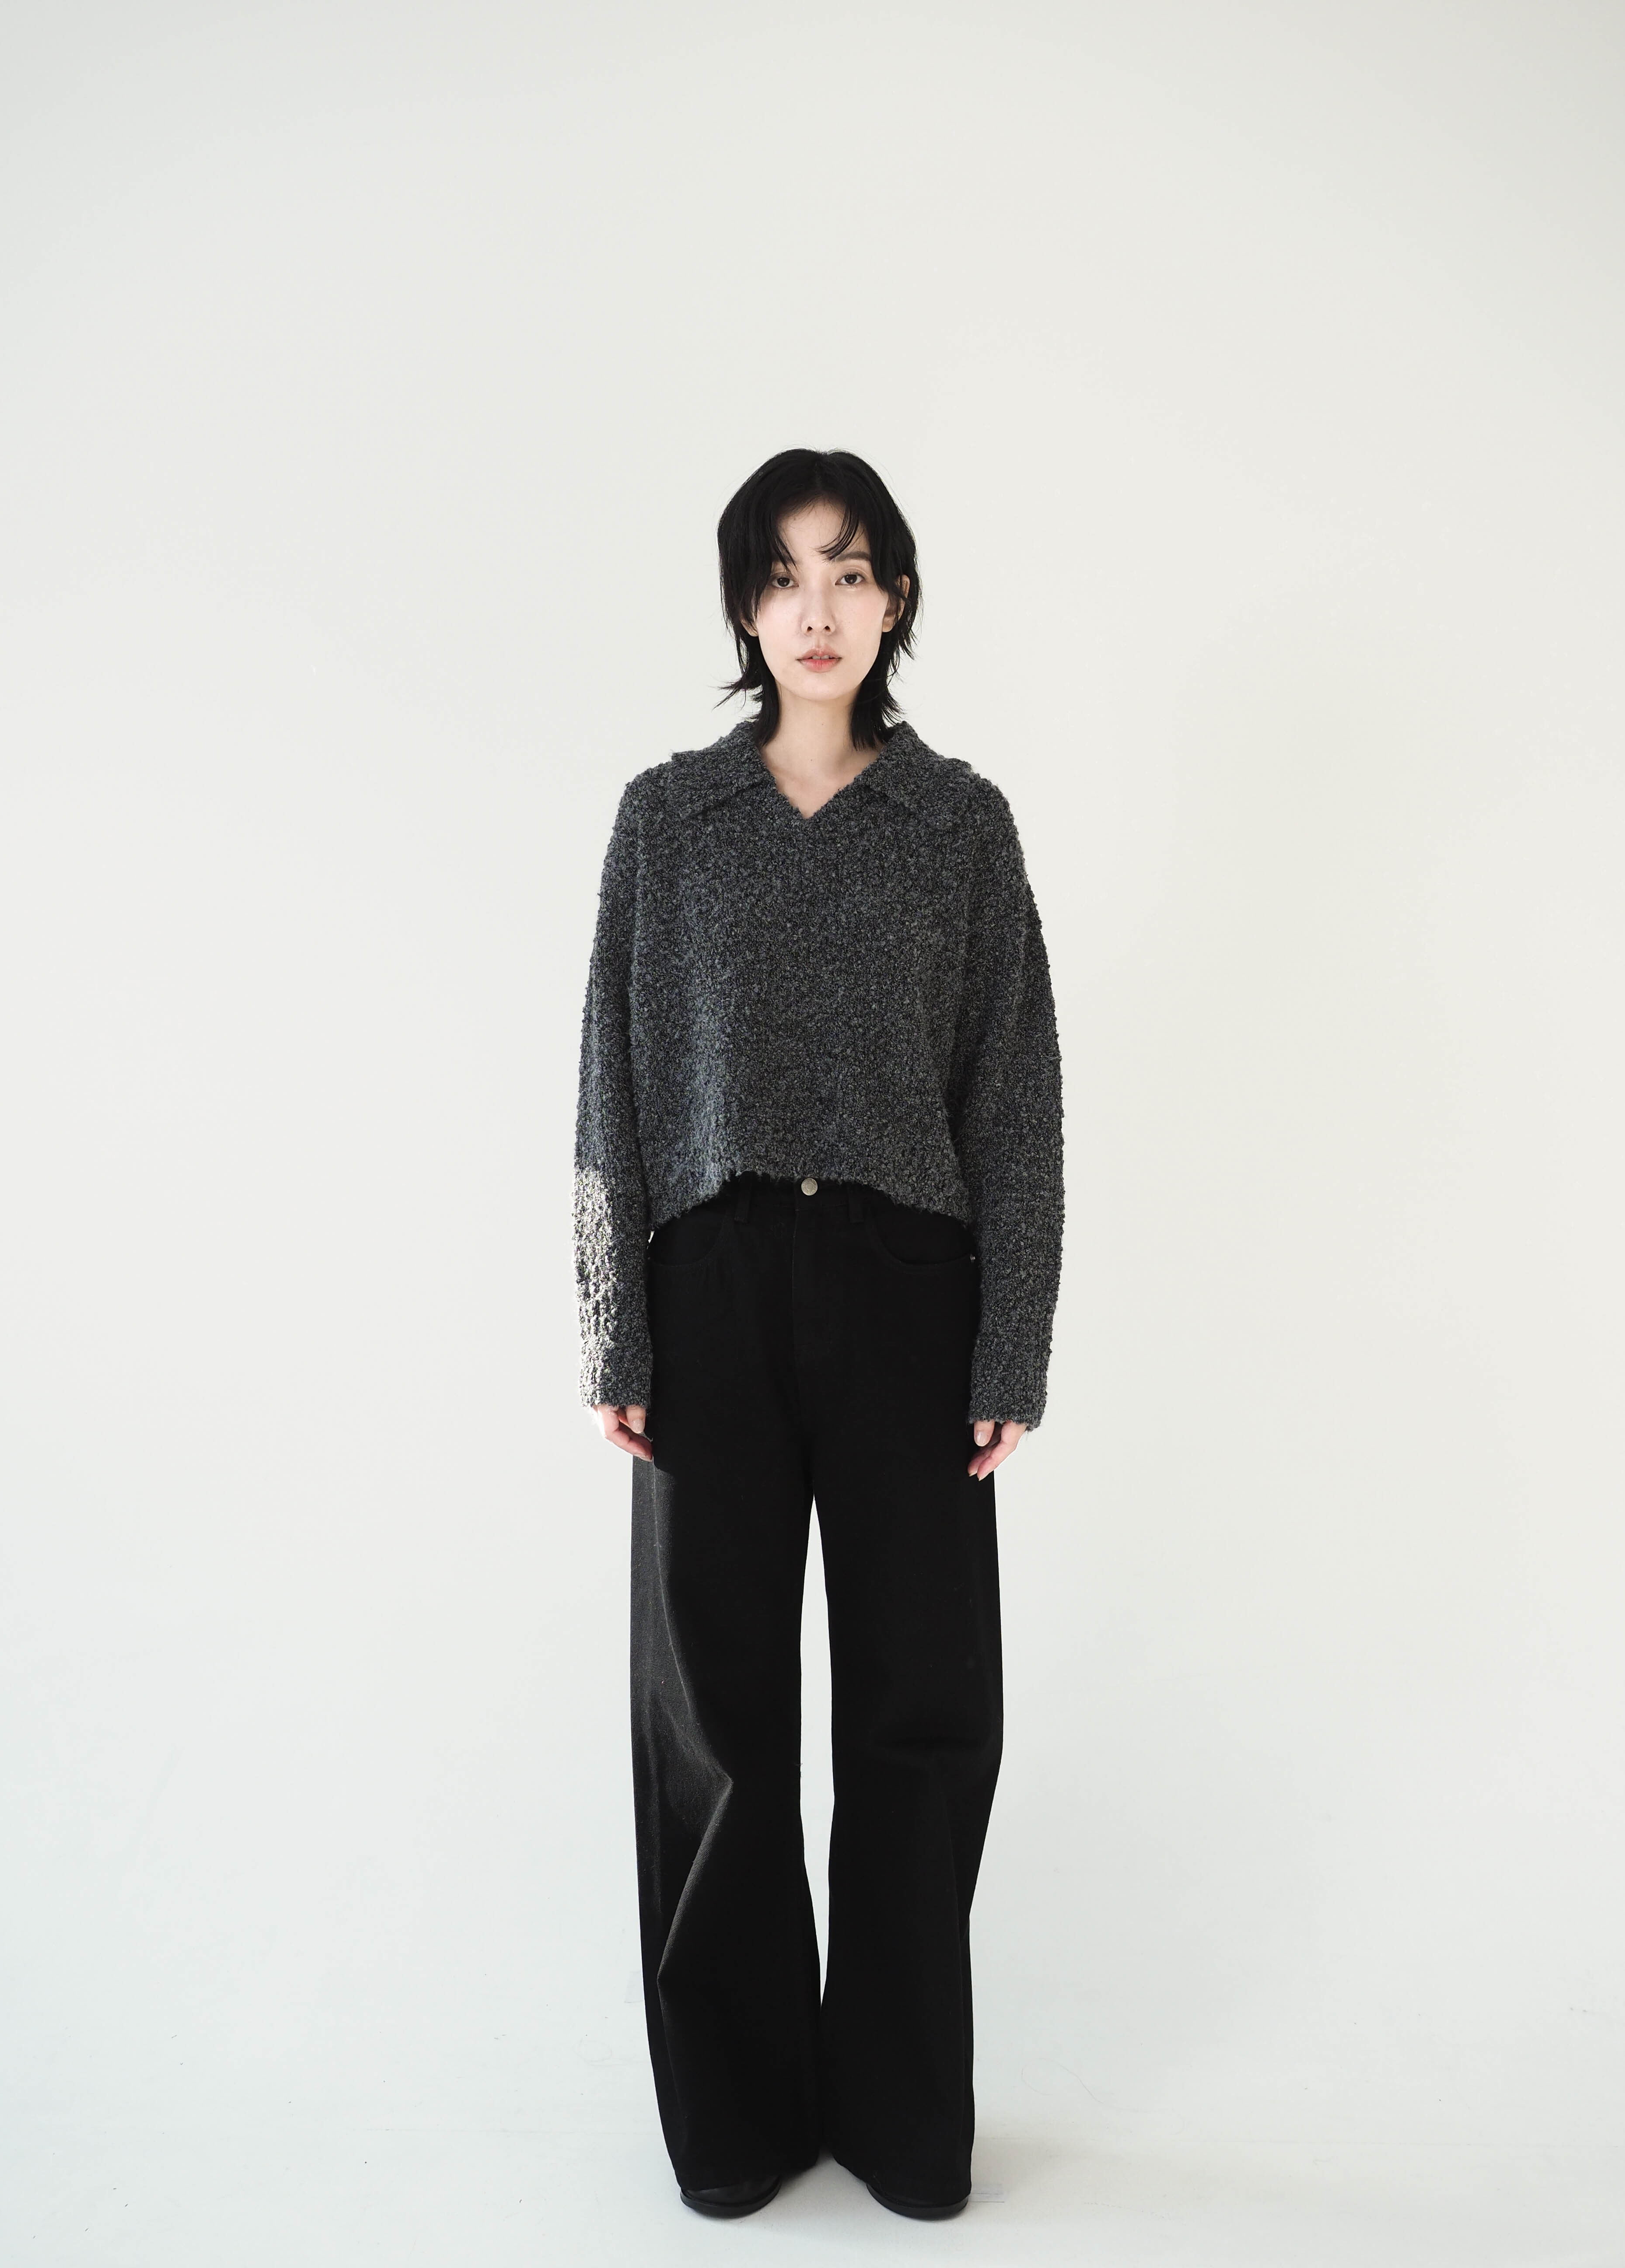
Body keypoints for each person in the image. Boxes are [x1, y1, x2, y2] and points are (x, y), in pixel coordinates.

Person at [571, 447, 1064, 2221]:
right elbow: (613, 1087)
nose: (819, 607)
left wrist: (1011, 1345)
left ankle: (902, 2111)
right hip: (709, 1291)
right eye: (784, 575)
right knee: (715, 1717)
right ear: (744, 606)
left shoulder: (958, 826)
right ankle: (739, 2115)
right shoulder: (669, 821)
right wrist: (615, 1328)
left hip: (906, 1291)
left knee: (923, 1710)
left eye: (851, 571)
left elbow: (1017, 1095)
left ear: (897, 596)